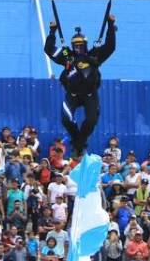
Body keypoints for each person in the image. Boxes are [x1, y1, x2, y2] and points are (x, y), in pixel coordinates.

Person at [44, 13, 117, 157]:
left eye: (81, 46)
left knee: (91, 120)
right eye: (75, 46)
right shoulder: (67, 55)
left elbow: (110, 46)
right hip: (73, 95)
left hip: (90, 95)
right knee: (66, 119)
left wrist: (110, 25)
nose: (78, 48)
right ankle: (78, 142)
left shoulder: (94, 55)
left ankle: (79, 144)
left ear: (86, 45)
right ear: (72, 46)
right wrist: (52, 31)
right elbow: (49, 49)